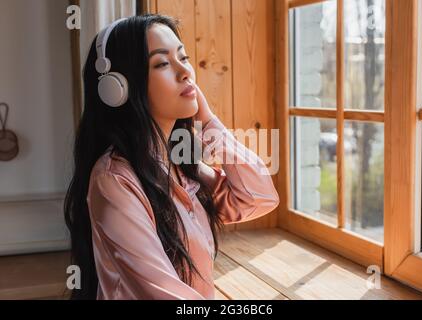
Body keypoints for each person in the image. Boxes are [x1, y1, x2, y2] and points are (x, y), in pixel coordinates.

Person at [64, 14, 279, 300]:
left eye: (184, 57)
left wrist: (210, 121)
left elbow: (259, 197)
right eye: (162, 63)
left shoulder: (177, 165)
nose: (185, 72)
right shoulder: (113, 179)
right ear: (118, 88)